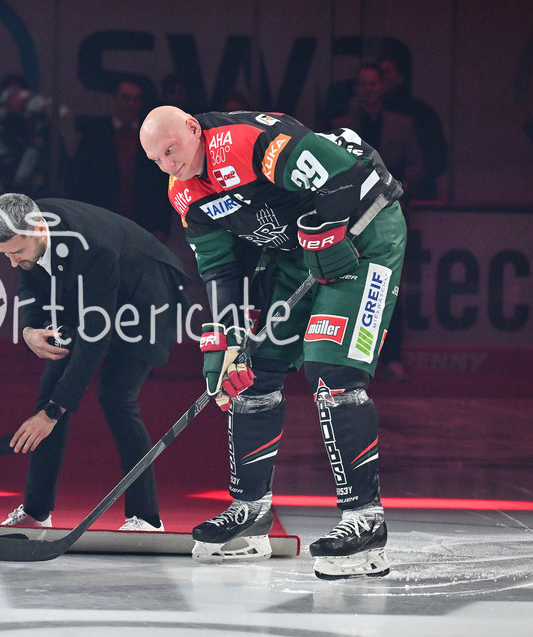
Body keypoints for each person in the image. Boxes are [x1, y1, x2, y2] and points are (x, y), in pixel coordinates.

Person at [140, 106, 405, 580]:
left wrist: (329, 232)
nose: (168, 165)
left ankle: (365, 520)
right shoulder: (182, 191)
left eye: (171, 150)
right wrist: (227, 337)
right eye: (156, 160)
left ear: (193, 129)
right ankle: (251, 511)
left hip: (364, 234)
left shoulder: (245, 141)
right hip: (298, 249)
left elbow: (342, 173)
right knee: (251, 368)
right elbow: (219, 268)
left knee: (333, 372)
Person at [0, 193, 189, 532]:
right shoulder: (27, 229)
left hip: (147, 293)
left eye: (17, 252)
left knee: (116, 396)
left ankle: (146, 517)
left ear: (39, 230)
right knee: (50, 390)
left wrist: (53, 413)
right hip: (90, 288)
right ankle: (36, 511)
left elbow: (95, 338)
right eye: (5, 254)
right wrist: (29, 329)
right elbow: (31, 281)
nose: (12, 262)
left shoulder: (93, 247)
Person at [332, 63, 424, 382]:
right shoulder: (340, 127)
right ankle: (343, 357)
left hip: (389, 215)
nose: (369, 89)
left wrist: (397, 182)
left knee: (388, 284)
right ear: (356, 88)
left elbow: (417, 165)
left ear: (382, 87)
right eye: (363, 84)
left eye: (374, 84)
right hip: (348, 216)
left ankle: (392, 358)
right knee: (345, 282)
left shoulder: (402, 124)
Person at [66, 78, 171, 241]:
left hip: (144, 224)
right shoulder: (94, 134)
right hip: (100, 222)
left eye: (136, 99)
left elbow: (162, 184)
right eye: (126, 98)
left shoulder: (153, 135)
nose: (131, 104)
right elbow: (79, 180)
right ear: (114, 99)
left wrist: (162, 227)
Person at [377, 48, 448, 203]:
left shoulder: (420, 114)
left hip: (416, 196)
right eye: (379, 73)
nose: (382, 78)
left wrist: (410, 176)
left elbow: (437, 159)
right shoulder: (366, 116)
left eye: (387, 72)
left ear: (400, 77)